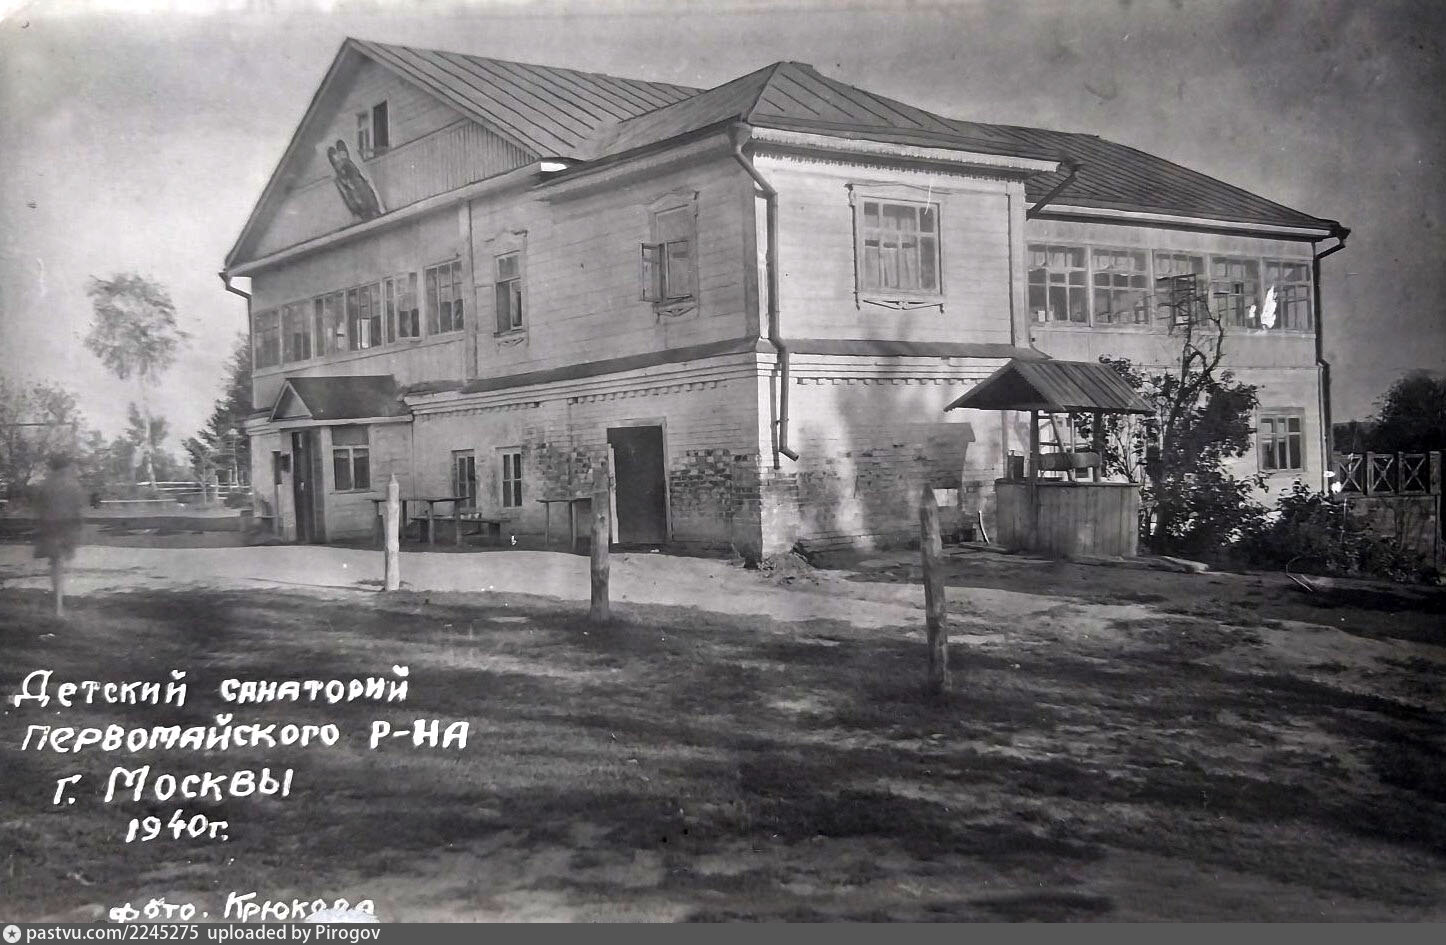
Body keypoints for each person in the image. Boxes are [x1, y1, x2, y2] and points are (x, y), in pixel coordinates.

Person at [33, 453, 86, 617]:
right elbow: (78, 508)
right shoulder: (73, 484)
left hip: (51, 526)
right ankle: (58, 606)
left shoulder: (46, 484)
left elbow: (39, 507)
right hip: (65, 527)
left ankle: (58, 604)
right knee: (59, 563)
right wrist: (78, 527)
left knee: (56, 564)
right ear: (65, 467)